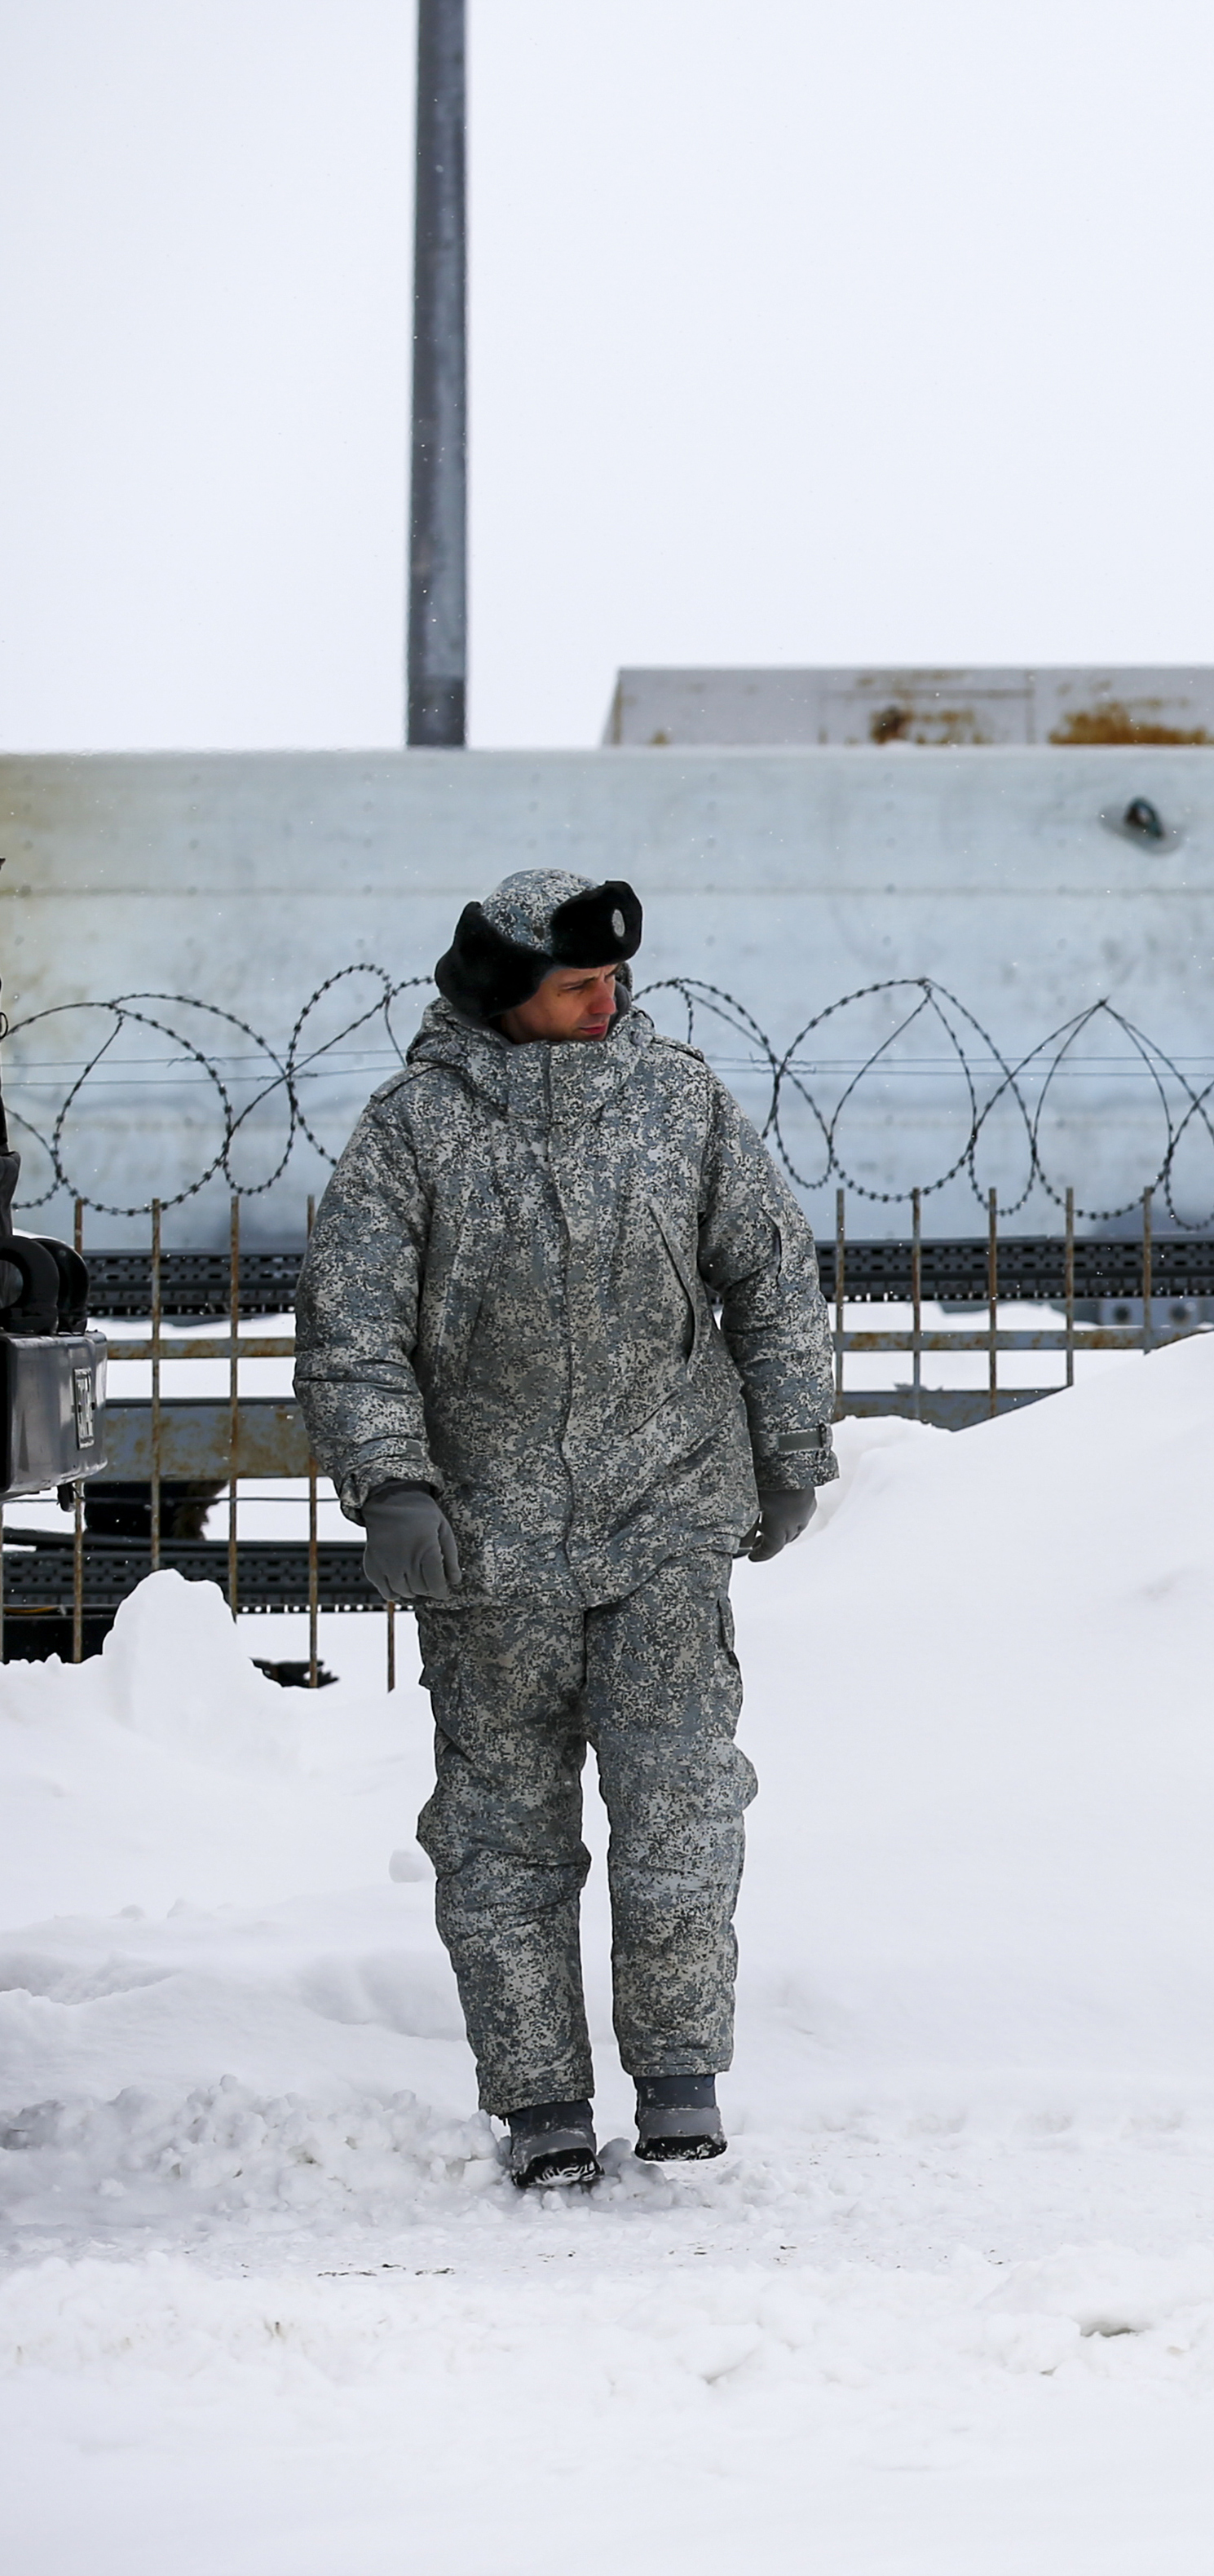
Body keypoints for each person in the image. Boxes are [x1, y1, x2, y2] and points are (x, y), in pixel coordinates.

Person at [296, 872, 835, 2190]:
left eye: (613, 979)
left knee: (681, 1798)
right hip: (490, 1547)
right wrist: (393, 1483)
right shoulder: (415, 1129)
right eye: (577, 983)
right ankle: (539, 2094)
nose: (608, 1000)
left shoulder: (681, 1102)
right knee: (502, 1828)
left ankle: (680, 2076)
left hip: (667, 1516)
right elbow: (352, 1320)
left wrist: (790, 1452)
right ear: (505, 991)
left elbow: (772, 1278)